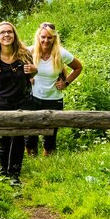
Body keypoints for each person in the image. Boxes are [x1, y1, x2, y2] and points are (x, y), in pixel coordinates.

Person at [0, 21, 37, 185]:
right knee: (4, 138)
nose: (6, 35)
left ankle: (14, 175)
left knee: (18, 138)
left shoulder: (24, 55)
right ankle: (3, 171)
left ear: (14, 35)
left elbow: (31, 75)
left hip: (22, 101)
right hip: (1, 103)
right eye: (2, 33)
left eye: (9, 32)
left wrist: (35, 70)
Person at [24, 22, 83, 156]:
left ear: (54, 38)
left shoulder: (61, 53)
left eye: (49, 37)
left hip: (53, 99)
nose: (46, 40)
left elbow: (78, 67)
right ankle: (32, 159)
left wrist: (66, 82)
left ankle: (48, 160)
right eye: (43, 37)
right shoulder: (30, 51)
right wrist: (27, 78)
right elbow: (15, 66)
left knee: (50, 134)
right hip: (33, 96)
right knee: (30, 131)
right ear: (38, 37)